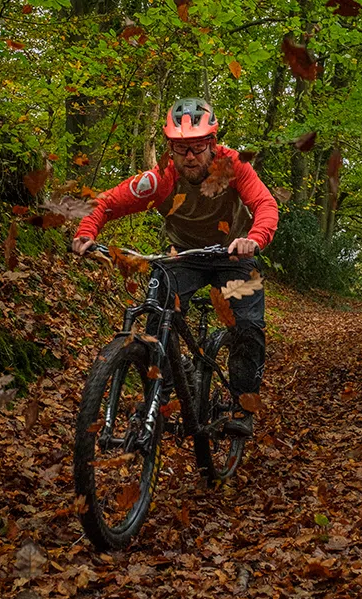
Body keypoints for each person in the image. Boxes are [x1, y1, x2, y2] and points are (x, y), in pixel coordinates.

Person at [72, 97, 279, 436]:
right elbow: (107, 203)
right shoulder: (161, 180)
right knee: (157, 313)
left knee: (249, 325)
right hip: (184, 256)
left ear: (211, 142)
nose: (190, 156)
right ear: (170, 147)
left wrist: (254, 238)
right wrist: (86, 232)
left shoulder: (234, 166)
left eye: (197, 146)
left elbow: (265, 203)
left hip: (235, 257)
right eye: (180, 148)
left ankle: (244, 406)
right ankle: (163, 394)